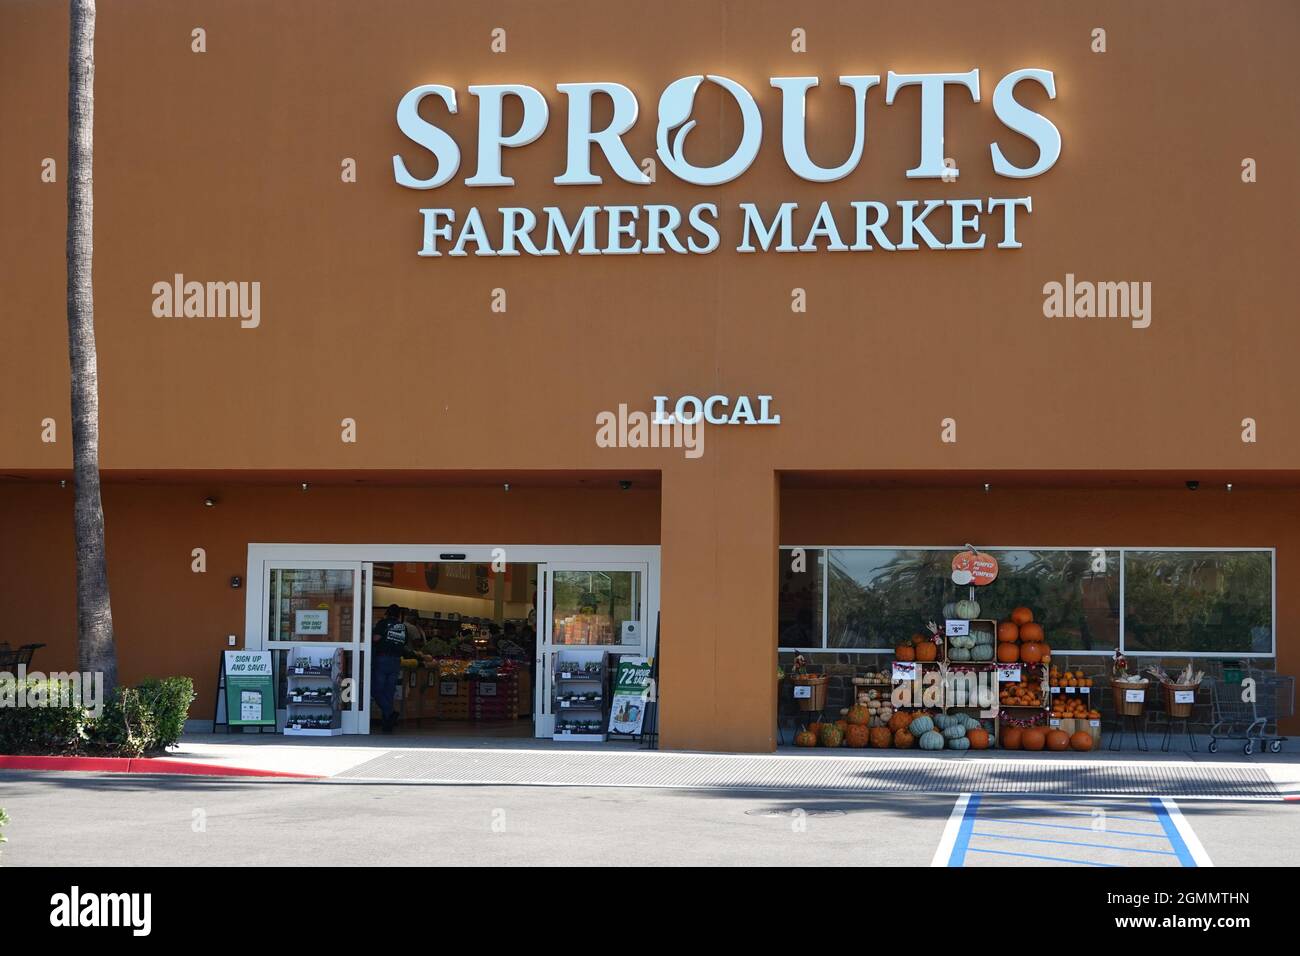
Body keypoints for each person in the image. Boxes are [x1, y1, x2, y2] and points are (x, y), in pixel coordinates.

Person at [371, 604, 408, 732]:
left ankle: (390, 713)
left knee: (376, 691)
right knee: (388, 692)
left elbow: (376, 638)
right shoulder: (403, 627)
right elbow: (404, 643)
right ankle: (387, 724)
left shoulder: (383, 623)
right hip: (396, 661)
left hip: (383, 659)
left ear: (387, 613)